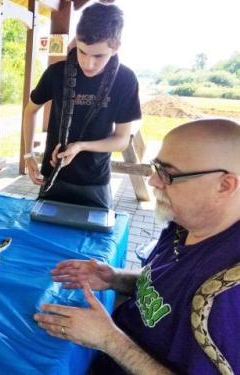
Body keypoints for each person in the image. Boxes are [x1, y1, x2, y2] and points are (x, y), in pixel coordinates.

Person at [34, 119, 240, 374]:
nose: (153, 181)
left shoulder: (229, 294)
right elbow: (167, 287)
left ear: (225, 185)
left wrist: (110, 340)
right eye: (156, 168)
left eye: (168, 174)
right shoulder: (185, 224)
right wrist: (115, 278)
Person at [23, 2, 141, 209]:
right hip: (53, 176)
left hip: (94, 181)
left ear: (115, 48)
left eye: (99, 56)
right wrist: (28, 154)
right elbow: (31, 110)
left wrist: (81, 146)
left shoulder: (126, 79)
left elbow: (121, 140)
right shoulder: (56, 72)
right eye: (82, 52)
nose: (88, 63)